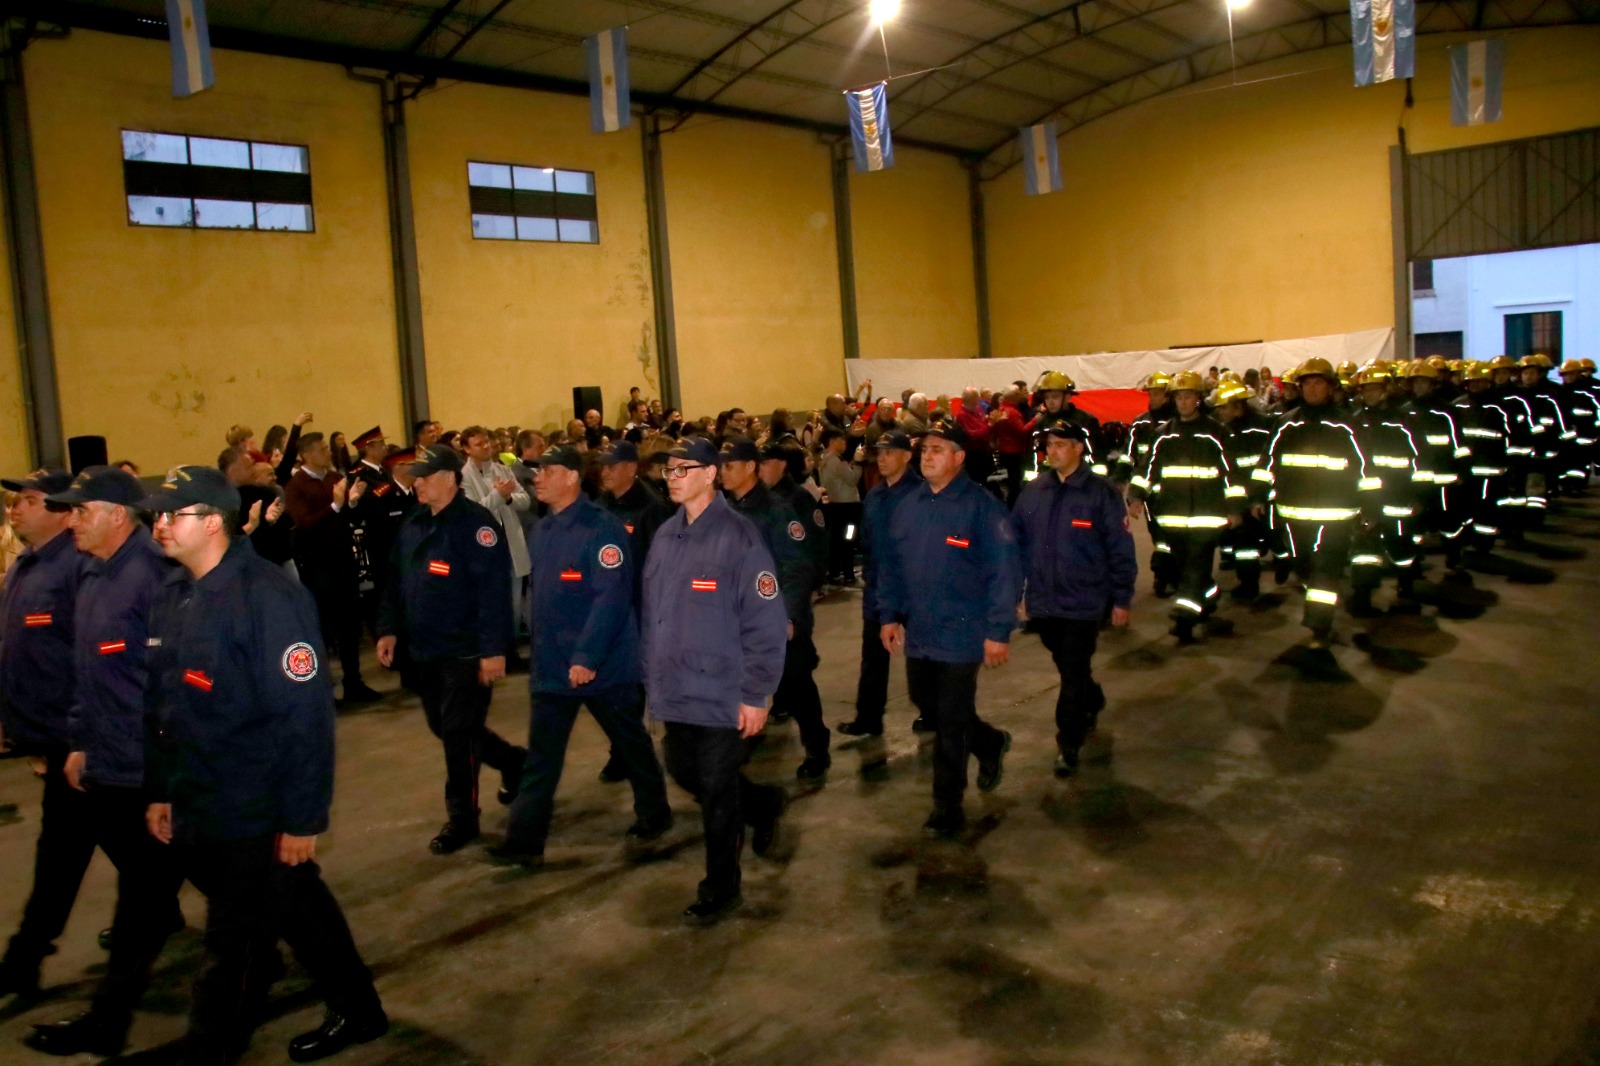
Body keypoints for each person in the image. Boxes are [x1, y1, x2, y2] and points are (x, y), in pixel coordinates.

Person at [140, 465, 386, 1064]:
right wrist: (164, 789)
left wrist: (302, 817)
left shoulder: (268, 598)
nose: (161, 526)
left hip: (254, 806)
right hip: (204, 796)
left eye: (176, 515)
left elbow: (303, 718)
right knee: (301, 907)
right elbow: (171, 708)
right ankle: (360, 1009)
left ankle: (209, 1049)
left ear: (216, 523)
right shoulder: (178, 593)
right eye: (159, 515)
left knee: (234, 950)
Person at [20, 468, 184, 1057]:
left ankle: (109, 1019)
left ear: (117, 514)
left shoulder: (151, 576)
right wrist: (81, 740)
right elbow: (87, 672)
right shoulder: (92, 571)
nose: (73, 520)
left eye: (81, 510)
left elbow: (169, 682)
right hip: (109, 760)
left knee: (166, 887)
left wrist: (166, 772)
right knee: (151, 891)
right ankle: (111, 1018)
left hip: (149, 765)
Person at [490, 446, 672, 865]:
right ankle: (524, 842)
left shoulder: (603, 530)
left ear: (571, 477)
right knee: (542, 758)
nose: (537, 478)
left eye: (547, 471)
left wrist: (587, 657)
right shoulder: (543, 530)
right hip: (554, 667)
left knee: (630, 742)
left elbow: (610, 597)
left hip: (601, 665)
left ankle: (655, 811)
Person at [641, 439, 789, 925]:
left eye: (684, 468)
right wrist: (652, 686)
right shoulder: (665, 536)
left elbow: (765, 623)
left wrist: (756, 693)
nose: (673, 476)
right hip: (678, 689)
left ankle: (720, 885)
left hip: (724, 691)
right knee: (683, 770)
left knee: (716, 787)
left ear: (710, 474)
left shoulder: (739, 538)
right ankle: (764, 804)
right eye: (668, 469)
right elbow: (654, 617)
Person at [376, 444, 528, 855]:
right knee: (443, 727)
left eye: (424, 476)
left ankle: (463, 818)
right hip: (425, 650)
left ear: (449, 477)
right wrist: (388, 629)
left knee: (458, 736)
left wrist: (494, 650)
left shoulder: (475, 525)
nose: (417, 482)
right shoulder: (415, 522)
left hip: (465, 652)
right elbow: (395, 580)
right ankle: (515, 763)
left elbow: (493, 593)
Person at [877, 421, 1021, 837]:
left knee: (951, 721)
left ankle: (947, 804)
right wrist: (889, 615)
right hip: (921, 630)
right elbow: (891, 566)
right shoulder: (909, 505)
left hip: (964, 632)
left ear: (959, 457)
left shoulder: (981, 507)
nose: (927, 456)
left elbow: (1004, 572)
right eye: (924, 449)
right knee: (929, 704)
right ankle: (990, 742)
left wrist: (998, 630)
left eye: (938, 449)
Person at [0, 469, 90, 997]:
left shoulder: (77, 568)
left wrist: (79, 736)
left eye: (28, 500)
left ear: (60, 510)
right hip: (52, 740)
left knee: (62, 852)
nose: (14, 509)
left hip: (79, 740)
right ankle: (25, 957)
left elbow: (92, 660)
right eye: (13, 501)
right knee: (132, 852)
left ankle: (23, 959)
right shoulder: (25, 566)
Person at [1012, 424, 1136, 777]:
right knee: (1068, 663)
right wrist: (1017, 594)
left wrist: (1121, 598)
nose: (1052, 451)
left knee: (1072, 670)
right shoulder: (1034, 491)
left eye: (1060, 445)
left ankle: (1068, 742)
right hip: (1044, 602)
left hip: (1084, 601)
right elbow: (1016, 543)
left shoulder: (1101, 493)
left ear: (1079, 449)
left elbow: (1120, 548)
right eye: (1048, 445)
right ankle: (1092, 696)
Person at [1252, 359, 1378, 648]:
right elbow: (1265, 462)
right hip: (1294, 515)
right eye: (1306, 383)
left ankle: (1319, 625)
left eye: (1318, 382)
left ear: (1331, 387)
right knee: (1305, 566)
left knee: (1326, 567)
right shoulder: (1286, 423)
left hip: (1337, 515)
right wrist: (1258, 495)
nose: (1311, 388)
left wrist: (1371, 507)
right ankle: (1318, 607)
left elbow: (1367, 469)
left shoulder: (1348, 425)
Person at [723, 439, 829, 781]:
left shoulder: (776, 510)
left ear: (750, 467)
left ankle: (816, 745)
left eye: (730, 465)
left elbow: (796, 567)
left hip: (775, 617)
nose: (722, 472)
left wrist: (789, 617)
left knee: (795, 684)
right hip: (736, 620)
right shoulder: (722, 510)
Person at [1127, 371, 1245, 643]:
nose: (1183, 402)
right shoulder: (1163, 435)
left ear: (1199, 399)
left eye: (1188, 396)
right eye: (1179, 397)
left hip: (1207, 517)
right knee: (1186, 570)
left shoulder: (1217, 433)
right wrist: (1136, 496)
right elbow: (1147, 469)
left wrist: (1235, 507)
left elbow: (1232, 474)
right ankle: (1209, 594)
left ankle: (1184, 619)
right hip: (1172, 517)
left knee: (1195, 565)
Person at [284, 432, 380, 703]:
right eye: (323, 449)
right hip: (318, 566)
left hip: (343, 562)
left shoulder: (334, 478)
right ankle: (321, 690)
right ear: (307, 455)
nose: (328, 453)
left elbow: (349, 518)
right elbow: (305, 524)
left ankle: (354, 682)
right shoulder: (297, 485)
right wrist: (336, 505)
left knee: (349, 625)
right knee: (324, 628)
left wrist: (351, 502)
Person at [839, 430, 922, 737]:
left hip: (912, 585)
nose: (882, 458)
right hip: (878, 584)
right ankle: (869, 716)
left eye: (889, 452)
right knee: (873, 656)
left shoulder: (920, 493)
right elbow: (865, 534)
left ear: (906, 456)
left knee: (921, 655)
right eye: (879, 453)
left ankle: (931, 710)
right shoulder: (875, 494)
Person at [460, 426, 532, 669]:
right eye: (479, 444)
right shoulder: (463, 477)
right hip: (483, 549)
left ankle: (511, 652)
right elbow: (473, 510)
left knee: (512, 601)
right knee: (490, 604)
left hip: (510, 543)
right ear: (467, 449)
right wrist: (498, 496)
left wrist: (510, 498)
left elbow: (525, 501)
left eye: (487, 443)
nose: (487, 447)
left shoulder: (502, 469)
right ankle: (494, 651)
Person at [816, 428, 862, 585]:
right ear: (832, 441)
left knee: (835, 539)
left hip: (834, 505)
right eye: (841, 440)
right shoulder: (837, 460)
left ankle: (835, 571)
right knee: (848, 538)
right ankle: (849, 573)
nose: (844, 443)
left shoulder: (823, 458)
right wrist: (858, 463)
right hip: (847, 507)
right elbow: (852, 479)